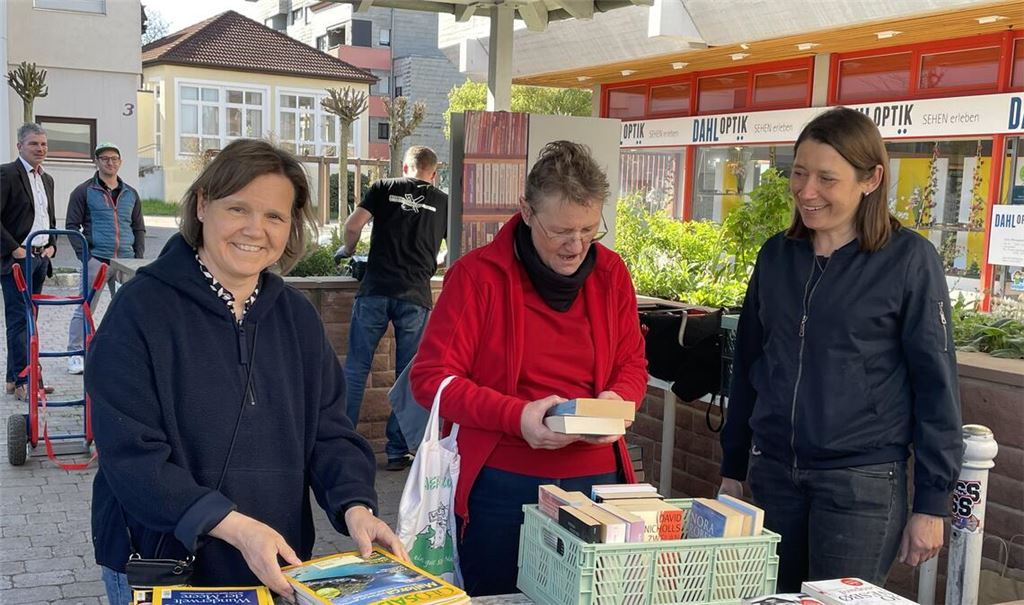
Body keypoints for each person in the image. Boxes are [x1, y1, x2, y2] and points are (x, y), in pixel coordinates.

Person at [86, 139, 406, 605]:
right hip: (165, 564)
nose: (256, 229)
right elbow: (131, 456)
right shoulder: (139, 311)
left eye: (275, 216)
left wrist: (356, 505)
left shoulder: (297, 317)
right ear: (202, 205)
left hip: (273, 561)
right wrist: (232, 526)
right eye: (238, 208)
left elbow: (329, 433)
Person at [718, 107, 963, 592]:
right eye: (799, 173)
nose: (806, 191)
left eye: (826, 178)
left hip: (861, 484)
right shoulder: (776, 256)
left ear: (870, 179)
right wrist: (733, 465)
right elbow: (748, 365)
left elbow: (936, 387)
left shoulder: (909, 260)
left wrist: (932, 504)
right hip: (773, 476)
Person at [409, 140, 648, 596]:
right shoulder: (477, 276)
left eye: (589, 229)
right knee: (498, 594)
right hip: (502, 481)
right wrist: (516, 416)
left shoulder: (611, 273)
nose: (576, 246)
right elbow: (430, 380)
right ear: (526, 211)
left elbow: (632, 362)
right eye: (560, 231)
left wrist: (617, 401)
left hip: (597, 479)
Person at [333, 145, 448, 471]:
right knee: (406, 377)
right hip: (415, 296)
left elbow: (353, 226)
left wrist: (347, 250)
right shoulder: (444, 202)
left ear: (405, 167)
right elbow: (453, 250)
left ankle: (340, 447)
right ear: (433, 173)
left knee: (356, 369)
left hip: (375, 289)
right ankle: (397, 451)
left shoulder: (384, 187)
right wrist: (433, 263)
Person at [64, 141, 146, 374]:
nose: (110, 162)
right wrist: (85, 257)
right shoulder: (84, 191)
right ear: (96, 161)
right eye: (105, 158)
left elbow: (138, 227)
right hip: (97, 260)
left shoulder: (130, 193)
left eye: (114, 158)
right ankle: (75, 354)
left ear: (120, 162)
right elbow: (72, 226)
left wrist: (138, 259)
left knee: (127, 310)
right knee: (85, 307)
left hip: (126, 262)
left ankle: (121, 354)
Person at [1, 122, 57, 401]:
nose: (40, 149)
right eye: (34, 143)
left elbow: (48, 217)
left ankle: (13, 379)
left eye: (43, 144)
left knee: (30, 319)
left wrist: (52, 244)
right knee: (19, 320)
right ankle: (26, 380)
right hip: (18, 259)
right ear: (19, 146)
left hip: (40, 258)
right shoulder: (7, 174)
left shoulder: (47, 179)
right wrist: (14, 248)